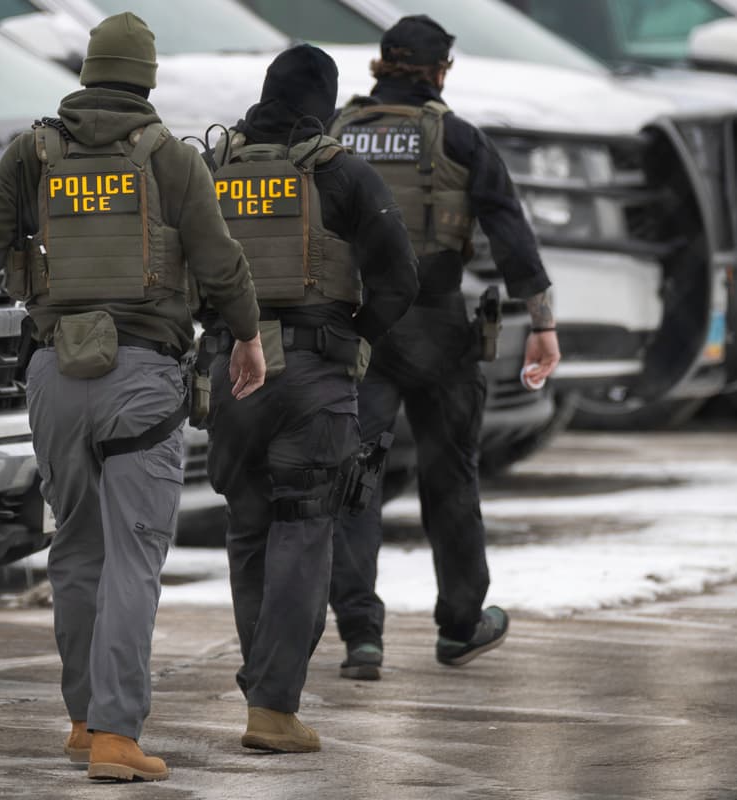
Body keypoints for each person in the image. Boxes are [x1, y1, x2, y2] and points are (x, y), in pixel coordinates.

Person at [0, 12, 265, 782]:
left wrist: (34, 253)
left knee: (79, 548)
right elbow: (221, 264)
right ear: (148, 78)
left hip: (55, 375)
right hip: (142, 380)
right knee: (135, 556)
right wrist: (249, 337)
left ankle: (85, 720)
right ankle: (118, 738)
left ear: (89, 72)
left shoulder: (33, 151)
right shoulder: (169, 159)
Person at [326, 15, 562, 680]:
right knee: (451, 476)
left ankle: (360, 637)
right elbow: (510, 231)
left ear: (382, 65)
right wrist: (542, 320)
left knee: (356, 480)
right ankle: (460, 626)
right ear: (438, 71)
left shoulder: (336, 138)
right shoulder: (459, 137)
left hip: (360, 325)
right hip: (436, 323)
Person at [201, 44, 418, 752]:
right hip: (314, 376)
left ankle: (262, 678)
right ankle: (272, 704)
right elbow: (400, 279)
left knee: (247, 526)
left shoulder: (214, 168)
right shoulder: (341, 172)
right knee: (304, 528)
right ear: (323, 102)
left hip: (233, 372)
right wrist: (355, 337)